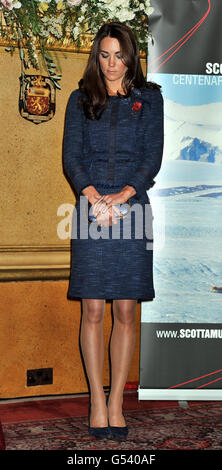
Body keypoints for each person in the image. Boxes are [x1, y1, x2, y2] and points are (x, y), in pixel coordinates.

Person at [63, 21, 164, 440]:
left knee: (125, 311)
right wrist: (93, 197)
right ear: (96, 57)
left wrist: (122, 196)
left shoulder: (150, 99)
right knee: (92, 310)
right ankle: (96, 402)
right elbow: (72, 157)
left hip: (131, 207)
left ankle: (118, 402)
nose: (111, 64)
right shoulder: (80, 99)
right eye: (104, 55)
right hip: (90, 209)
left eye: (118, 55)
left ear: (130, 57)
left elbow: (151, 157)